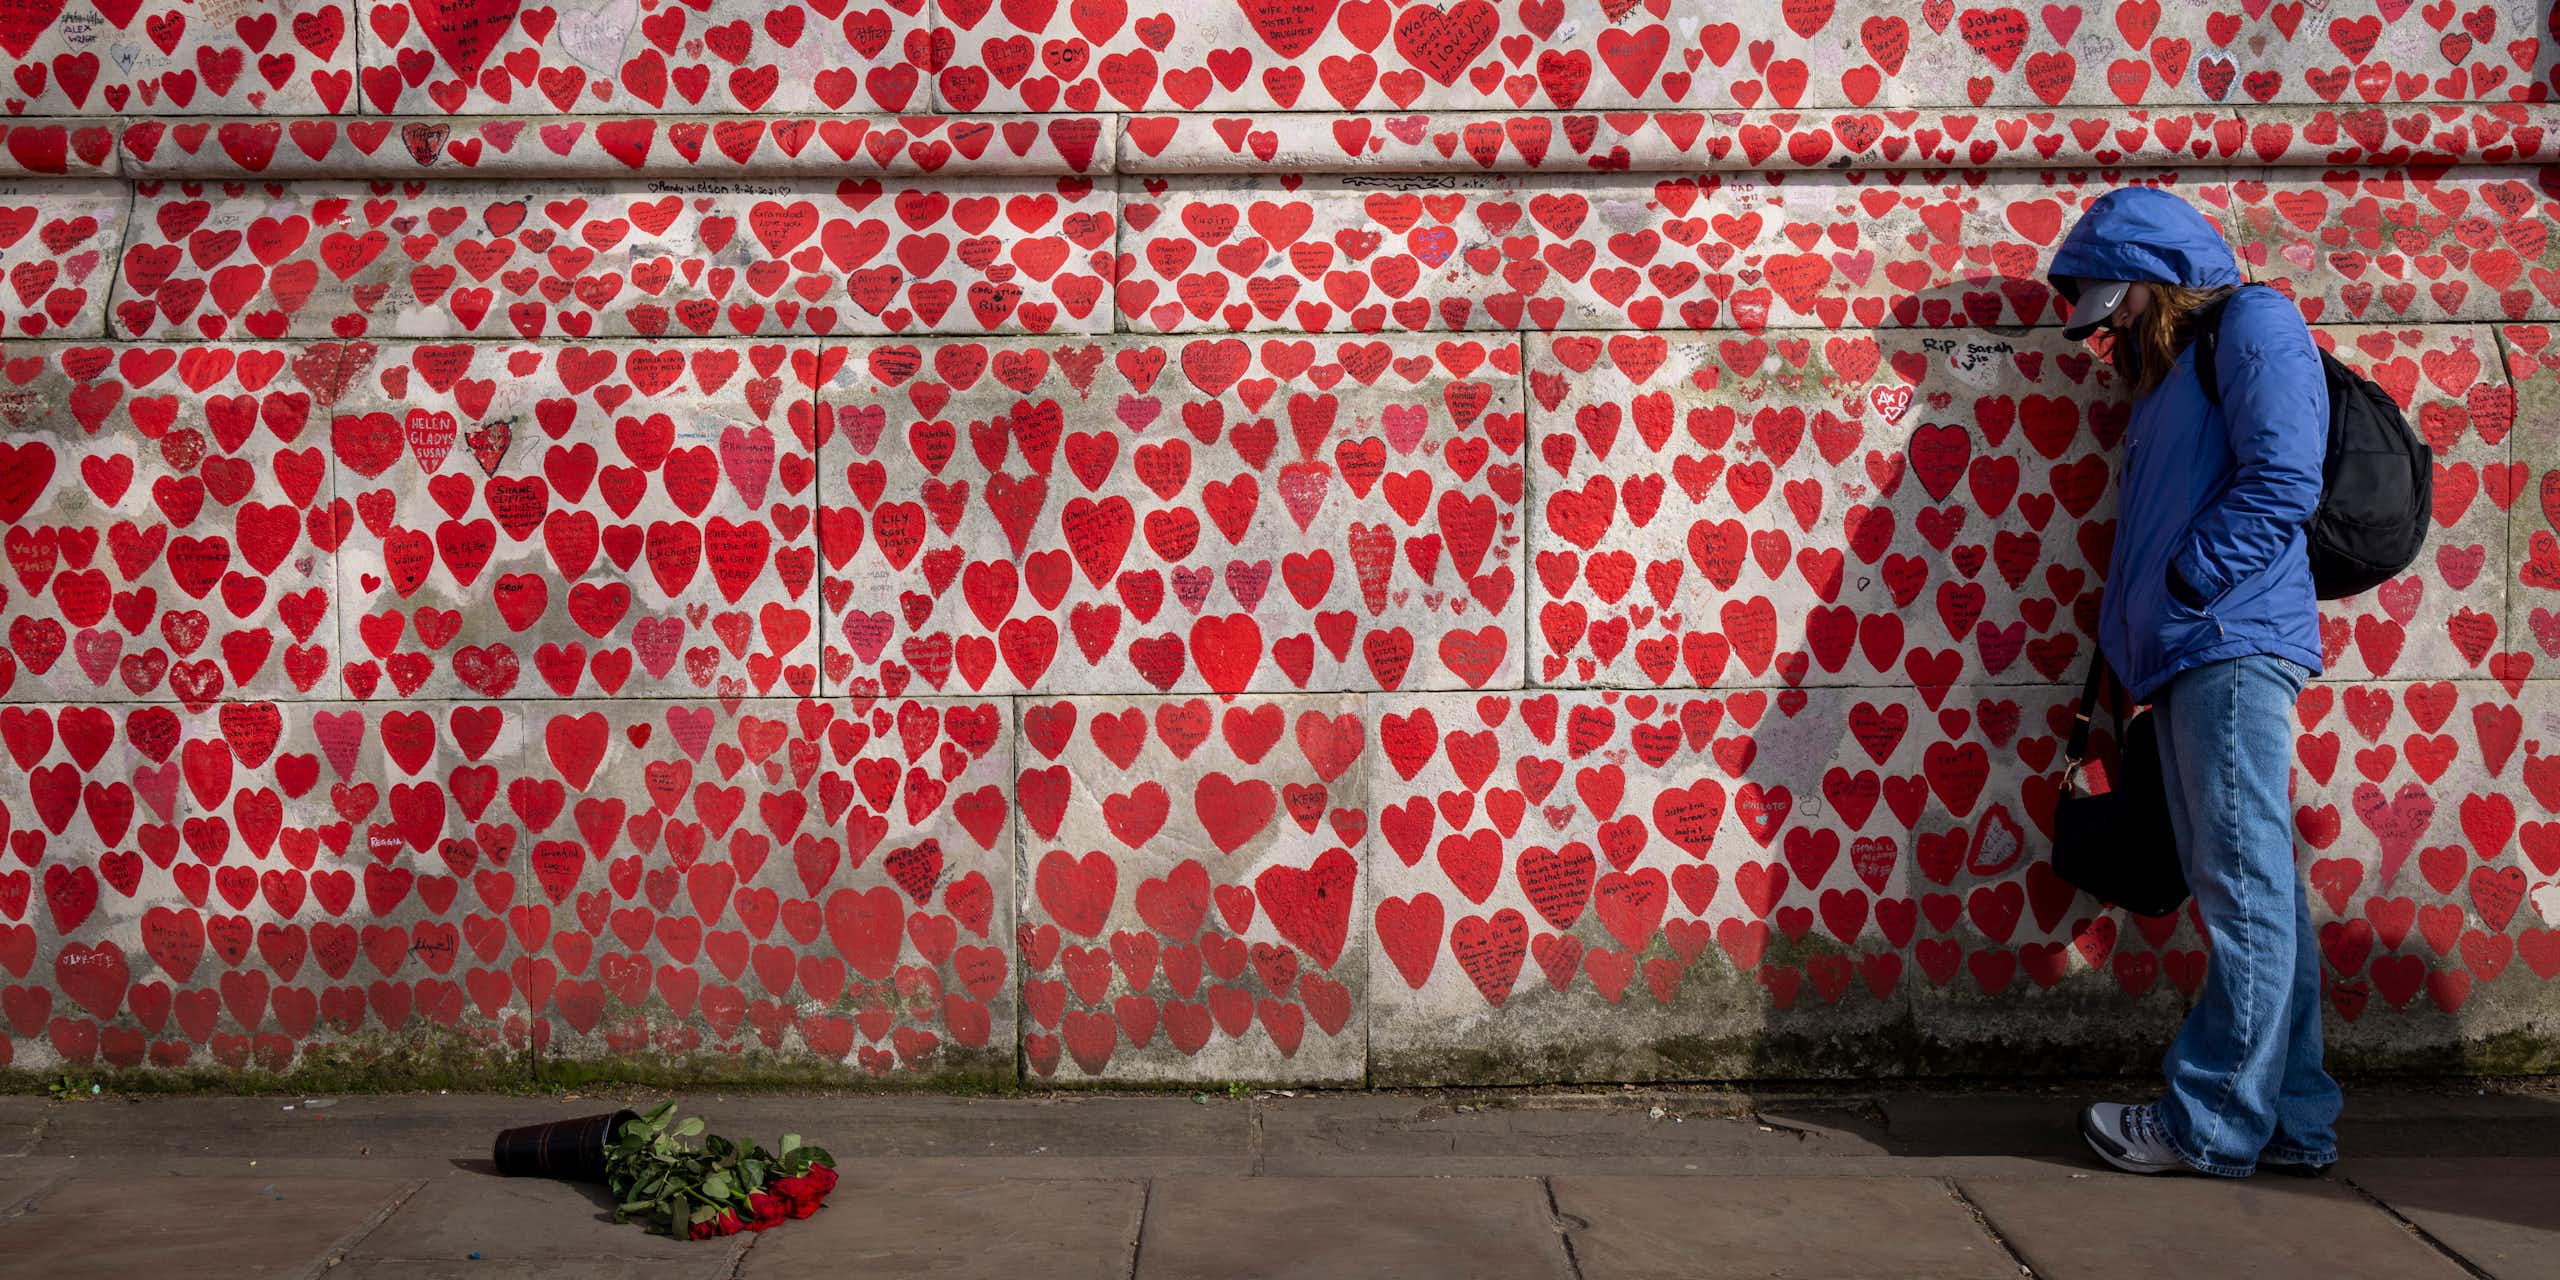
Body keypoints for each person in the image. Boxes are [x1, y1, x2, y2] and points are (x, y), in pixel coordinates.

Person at [2046, 187, 2342, 1178]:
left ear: (2154, 274)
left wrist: (2186, 581)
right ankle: (2292, 1118)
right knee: (2263, 893)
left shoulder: (2255, 320)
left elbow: (2282, 480)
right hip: (2187, 650)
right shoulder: (2172, 372)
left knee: (2243, 886)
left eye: (2115, 303)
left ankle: (2207, 1118)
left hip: (2226, 640)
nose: (2108, 328)